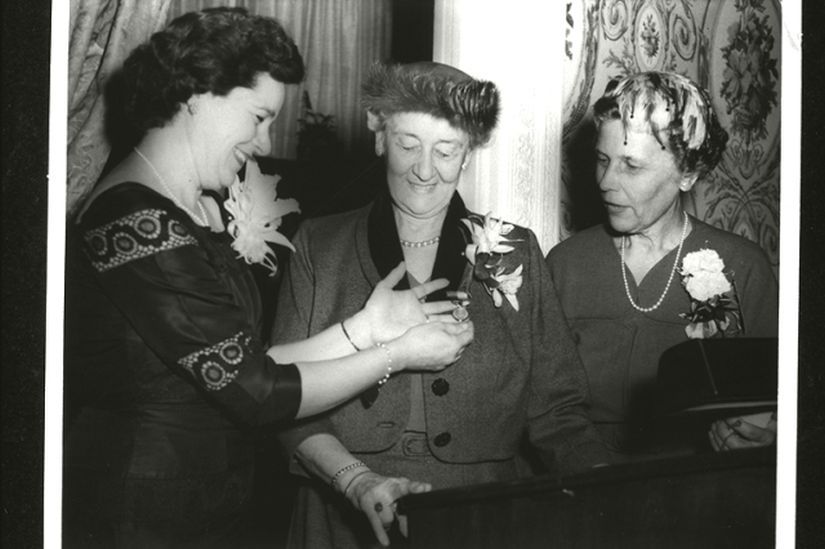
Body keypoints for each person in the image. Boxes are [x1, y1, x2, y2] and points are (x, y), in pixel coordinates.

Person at [62, 9, 473, 547]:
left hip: (202, 502)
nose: (263, 141)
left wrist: (366, 329)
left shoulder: (181, 208)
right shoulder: (136, 223)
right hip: (141, 512)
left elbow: (243, 364)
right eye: (257, 117)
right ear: (199, 94)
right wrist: (398, 354)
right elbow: (259, 393)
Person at [270, 61, 609, 548]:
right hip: (341, 512)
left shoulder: (517, 252)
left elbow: (557, 412)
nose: (424, 170)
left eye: (446, 150)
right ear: (380, 140)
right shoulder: (318, 246)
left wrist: (606, 486)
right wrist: (356, 479)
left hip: (479, 520)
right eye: (408, 145)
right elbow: (283, 400)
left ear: (468, 154)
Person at [547, 71, 778, 462]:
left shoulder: (743, 267)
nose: (605, 182)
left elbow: (781, 404)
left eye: (631, 167)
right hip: (583, 486)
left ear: (687, 173)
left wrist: (764, 434)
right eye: (603, 160)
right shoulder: (566, 265)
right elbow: (545, 410)